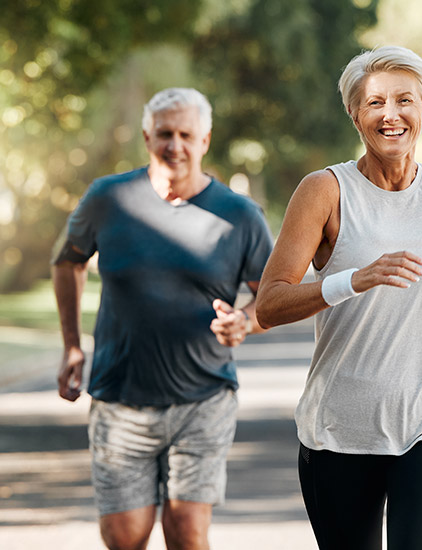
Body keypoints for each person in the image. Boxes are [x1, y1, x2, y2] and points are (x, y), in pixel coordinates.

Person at [256, 46, 422, 550]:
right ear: (355, 115)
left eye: (404, 101)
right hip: (339, 428)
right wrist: (353, 279)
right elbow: (269, 303)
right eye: (374, 103)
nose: (390, 115)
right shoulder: (323, 191)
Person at [51, 87, 273, 550]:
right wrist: (72, 344)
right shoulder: (108, 199)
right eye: (165, 134)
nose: (176, 145)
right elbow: (68, 261)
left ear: (205, 140)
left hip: (204, 398)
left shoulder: (240, 215)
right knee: (124, 537)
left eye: (186, 135)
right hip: (120, 398)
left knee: (188, 534)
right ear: (147, 137)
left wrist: (245, 322)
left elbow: (271, 298)